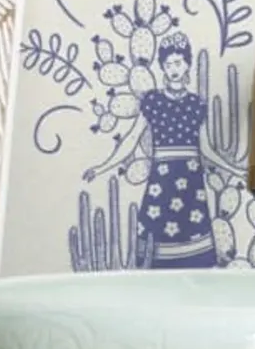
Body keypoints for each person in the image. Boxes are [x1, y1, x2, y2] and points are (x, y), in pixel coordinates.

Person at [83, 32, 237, 267]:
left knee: (196, 250)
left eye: (177, 62)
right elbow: (131, 140)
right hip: (162, 182)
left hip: (191, 185)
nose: (173, 68)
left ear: (186, 63)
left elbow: (206, 149)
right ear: (162, 67)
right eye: (167, 64)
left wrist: (235, 170)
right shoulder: (152, 101)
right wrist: (102, 167)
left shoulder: (197, 104)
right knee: (154, 253)